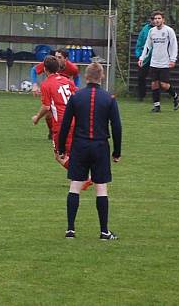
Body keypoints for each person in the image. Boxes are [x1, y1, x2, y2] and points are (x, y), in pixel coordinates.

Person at [58, 62, 122, 240]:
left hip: (80, 146)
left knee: (75, 186)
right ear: (101, 76)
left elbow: (65, 125)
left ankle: (70, 230)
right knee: (101, 188)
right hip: (100, 146)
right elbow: (116, 127)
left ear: (86, 77)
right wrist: (117, 152)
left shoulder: (76, 97)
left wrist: (62, 148)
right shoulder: (109, 99)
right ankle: (104, 232)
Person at [32, 55, 91, 190]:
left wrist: (37, 117)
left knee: (60, 156)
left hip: (61, 125)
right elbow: (78, 95)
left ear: (45, 70)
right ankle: (84, 175)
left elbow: (46, 107)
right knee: (72, 152)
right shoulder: (67, 81)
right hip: (75, 121)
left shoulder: (46, 84)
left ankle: (84, 177)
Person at [138, 11, 179, 113]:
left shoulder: (169, 31)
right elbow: (147, 46)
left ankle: (175, 97)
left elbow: (174, 45)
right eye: (155, 19)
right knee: (154, 84)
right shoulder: (151, 31)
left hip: (165, 62)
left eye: (159, 18)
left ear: (163, 20)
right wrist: (141, 58)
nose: (157, 20)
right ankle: (157, 106)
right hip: (154, 62)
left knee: (164, 85)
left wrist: (173, 59)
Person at [134, 14, 155, 101]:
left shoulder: (164, 30)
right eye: (153, 19)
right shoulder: (145, 29)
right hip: (145, 57)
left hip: (156, 57)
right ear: (150, 20)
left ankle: (156, 97)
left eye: (157, 18)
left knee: (156, 78)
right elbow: (139, 42)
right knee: (141, 76)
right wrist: (139, 55)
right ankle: (141, 95)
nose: (155, 21)